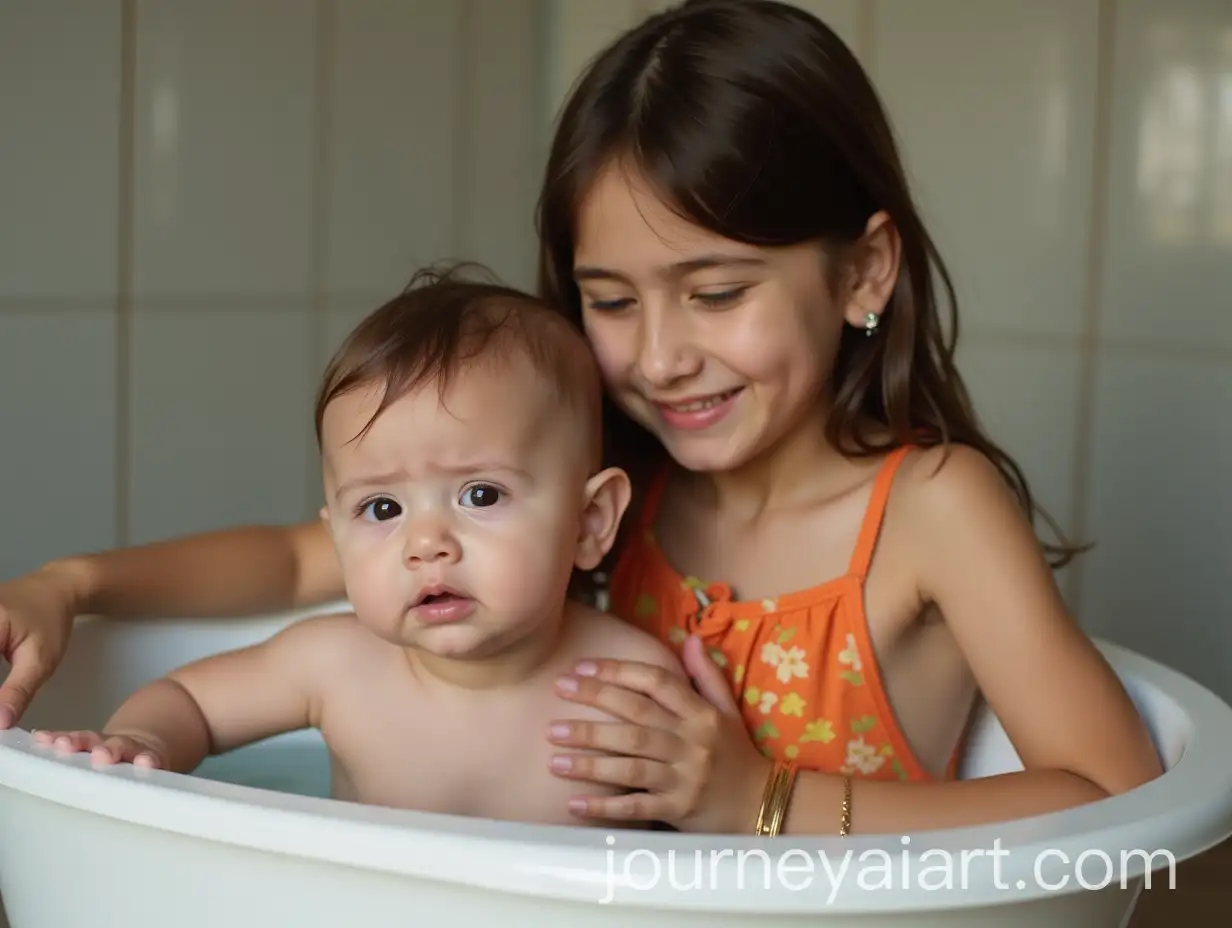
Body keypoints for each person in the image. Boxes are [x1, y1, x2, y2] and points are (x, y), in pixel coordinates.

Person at [0, 0, 1161, 836]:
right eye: (610, 300)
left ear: (861, 273)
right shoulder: (622, 478)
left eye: (716, 293)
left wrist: (752, 799)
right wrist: (71, 583)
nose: (658, 356)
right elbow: (295, 556)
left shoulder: (928, 509)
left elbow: (1117, 802)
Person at [26, 268, 683, 828]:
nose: (426, 544)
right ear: (337, 537)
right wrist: (141, 741)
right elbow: (191, 702)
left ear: (590, 521)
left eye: (480, 495)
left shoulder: (632, 683)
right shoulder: (336, 666)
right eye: (383, 509)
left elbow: (695, 858)